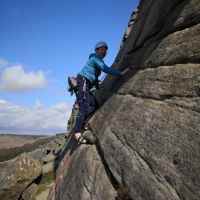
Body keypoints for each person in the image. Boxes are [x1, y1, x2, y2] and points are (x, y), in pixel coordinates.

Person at [73, 41, 129, 143]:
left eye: (105, 50)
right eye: (101, 50)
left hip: (86, 85)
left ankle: (82, 123)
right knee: (84, 107)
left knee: (94, 105)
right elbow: (105, 68)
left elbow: (94, 79)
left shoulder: (96, 61)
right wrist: (119, 73)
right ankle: (77, 133)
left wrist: (98, 87)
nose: (103, 52)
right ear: (96, 50)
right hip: (82, 82)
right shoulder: (94, 58)